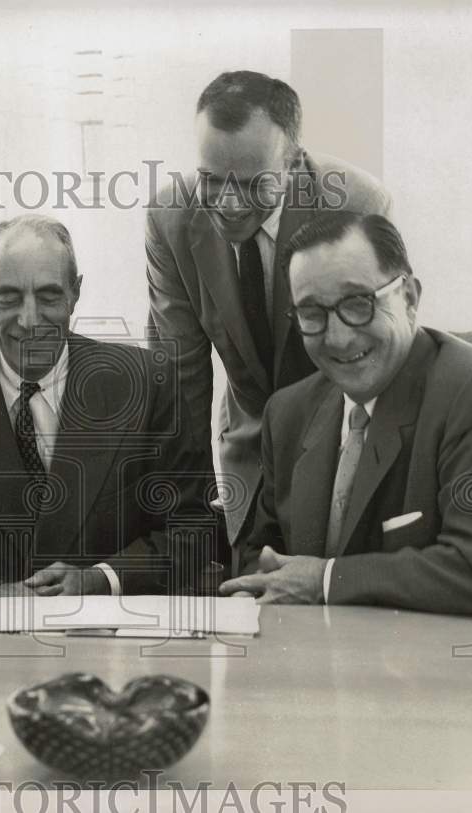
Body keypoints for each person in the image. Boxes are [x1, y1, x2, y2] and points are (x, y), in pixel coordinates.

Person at [0, 215, 212, 597]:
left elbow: (193, 528)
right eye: (8, 298)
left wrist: (100, 578)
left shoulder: (146, 381)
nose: (29, 321)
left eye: (48, 297)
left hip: (112, 639)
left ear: (75, 293)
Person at [220, 212, 472, 614]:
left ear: (409, 297)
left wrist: (326, 580)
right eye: (311, 313)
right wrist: (250, 589)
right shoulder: (287, 412)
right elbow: (264, 554)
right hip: (313, 666)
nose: (338, 337)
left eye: (358, 303)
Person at [146, 70, 392, 543]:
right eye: (211, 180)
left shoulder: (358, 205)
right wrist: (189, 520)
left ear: (294, 163)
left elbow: (376, 361)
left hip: (343, 441)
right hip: (246, 453)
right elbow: (180, 376)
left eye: (254, 183)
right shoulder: (169, 219)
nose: (231, 204)